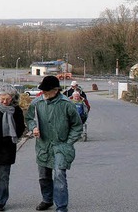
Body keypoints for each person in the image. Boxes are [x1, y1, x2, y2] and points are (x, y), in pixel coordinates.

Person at [26, 76, 83, 212]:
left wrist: (68, 142)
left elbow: (77, 125)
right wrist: (33, 127)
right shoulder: (37, 103)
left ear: (56, 90)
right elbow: (28, 118)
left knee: (59, 175)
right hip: (43, 145)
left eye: (47, 91)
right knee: (43, 175)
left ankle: (61, 206)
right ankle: (47, 199)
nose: (44, 93)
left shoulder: (66, 104)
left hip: (61, 145)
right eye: (43, 91)